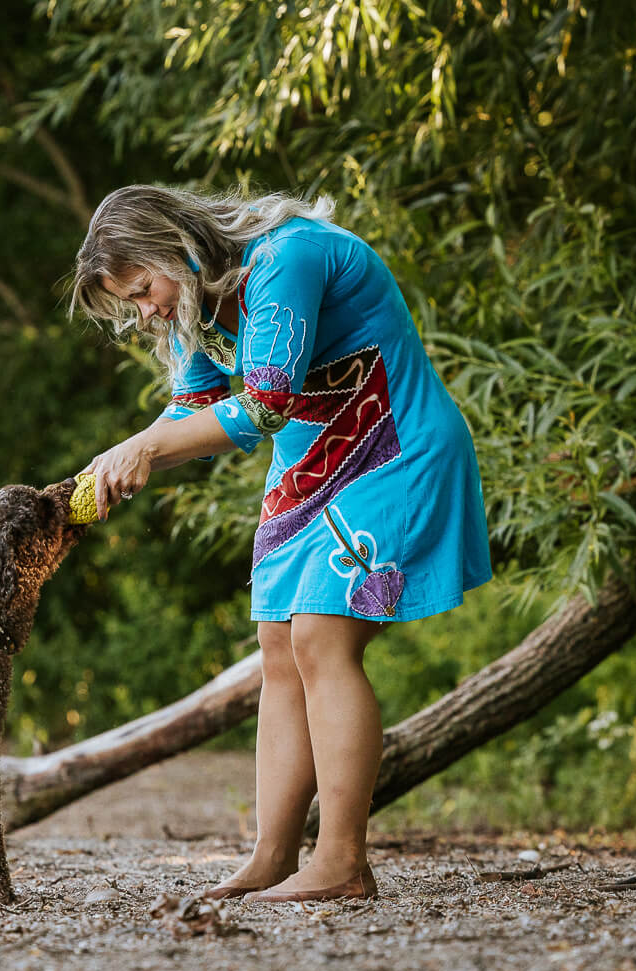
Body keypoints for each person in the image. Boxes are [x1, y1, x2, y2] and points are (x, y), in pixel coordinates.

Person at [69, 185, 491, 902]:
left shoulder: (285, 257)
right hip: (312, 461)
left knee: (323, 638)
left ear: (177, 247)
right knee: (278, 648)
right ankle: (271, 856)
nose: (145, 312)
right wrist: (124, 457)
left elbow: (264, 403)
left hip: (391, 444)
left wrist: (145, 448)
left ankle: (342, 862)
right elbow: (194, 406)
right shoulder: (193, 300)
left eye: (142, 290)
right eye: (130, 304)